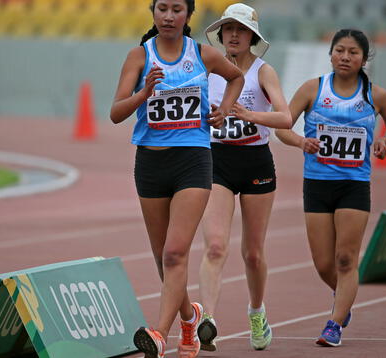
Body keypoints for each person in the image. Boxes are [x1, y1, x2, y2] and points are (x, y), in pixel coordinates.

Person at [109, 0, 244, 357]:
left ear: (188, 16)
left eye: (176, 10)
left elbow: (237, 77)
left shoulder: (203, 54)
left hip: (193, 161)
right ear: (153, 13)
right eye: (162, 9)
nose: (168, 17)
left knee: (174, 253)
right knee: (163, 259)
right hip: (151, 165)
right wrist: (143, 93)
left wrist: (226, 109)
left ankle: (159, 334)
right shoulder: (139, 57)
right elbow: (115, 113)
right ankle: (190, 317)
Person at [275, 29, 386, 347]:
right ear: (330, 54)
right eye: (340, 50)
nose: (345, 57)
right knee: (323, 263)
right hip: (317, 184)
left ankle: (335, 323)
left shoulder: (376, 95)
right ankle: (343, 296)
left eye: (353, 52)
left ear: (364, 59)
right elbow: (282, 127)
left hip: (354, 186)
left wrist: (385, 139)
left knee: (346, 259)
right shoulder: (312, 89)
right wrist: (302, 141)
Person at [195, 3, 292, 352]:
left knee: (252, 253)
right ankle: (207, 319)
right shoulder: (206, 69)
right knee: (216, 245)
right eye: (228, 29)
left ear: (252, 36)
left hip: (255, 163)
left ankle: (256, 312)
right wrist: (209, 119)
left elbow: (286, 118)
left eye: (241, 30)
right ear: (220, 34)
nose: (233, 35)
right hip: (216, 160)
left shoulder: (264, 72)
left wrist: (249, 114)